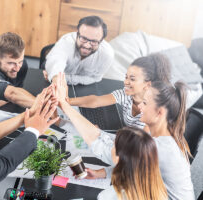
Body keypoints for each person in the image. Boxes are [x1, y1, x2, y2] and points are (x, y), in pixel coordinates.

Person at [55, 73, 195, 200]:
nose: (140, 106)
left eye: (145, 103)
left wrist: (64, 105)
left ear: (160, 113)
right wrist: (101, 173)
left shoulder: (158, 147)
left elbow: (107, 149)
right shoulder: (159, 136)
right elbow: (128, 161)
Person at [69, 53, 171, 131]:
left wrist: (99, 134)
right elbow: (96, 100)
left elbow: (139, 144)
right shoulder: (126, 94)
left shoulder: (151, 112)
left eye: (132, 79)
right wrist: (67, 101)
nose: (126, 82)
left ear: (147, 84)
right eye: (126, 77)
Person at [94, 127, 167, 200]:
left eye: (114, 146)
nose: (112, 148)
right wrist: (104, 173)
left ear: (118, 158)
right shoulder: (158, 183)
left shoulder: (107, 196)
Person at [44, 15, 114, 85]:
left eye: (94, 41)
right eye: (83, 38)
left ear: (101, 41)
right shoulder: (66, 42)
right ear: (77, 34)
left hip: (79, 86)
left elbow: (95, 78)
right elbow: (55, 67)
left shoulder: (107, 55)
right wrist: (56, 78)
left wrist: (65, 78)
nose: (87, 45)